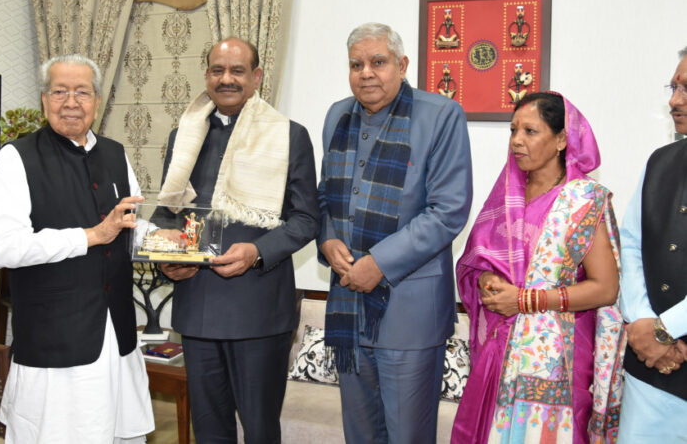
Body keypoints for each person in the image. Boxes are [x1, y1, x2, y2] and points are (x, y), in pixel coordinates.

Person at [156, 37, 319, 443]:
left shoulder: (289, 136)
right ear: (207, 75)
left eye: (237, 70)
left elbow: (305, 220)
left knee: (261, 430)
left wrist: (258, 252)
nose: (226, 79)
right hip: (197, 307)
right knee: (209, 431)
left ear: (257, 76)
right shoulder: (184, 136)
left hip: (259, 309)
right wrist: (164, 254)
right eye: (217, 70)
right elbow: (166, 213)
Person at [317, 22, 472, 444]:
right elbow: (325, 195)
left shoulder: (440, 115)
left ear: (402, 66)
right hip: (348, 307)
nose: (366, 72)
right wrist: (328, 238)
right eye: (356, 64)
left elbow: (448, 210)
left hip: (410, 314)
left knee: (407, 436)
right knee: (361, 435)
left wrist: (379, 264)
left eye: (378, 62)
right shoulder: (337, 115)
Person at [0, 54, 153, 444]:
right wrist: (90, 236)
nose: (71, 102)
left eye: (82, 92)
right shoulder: (16, 158)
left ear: (97, 101)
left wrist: (167, 242)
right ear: (44, 100)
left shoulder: (115, 153)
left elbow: (125, 222)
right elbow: (4, 249)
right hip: (55, 342)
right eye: (60, 91)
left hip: (117, 334)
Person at [451, 91, 625, 443]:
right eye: (513, 130)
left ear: (561, 139)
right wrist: (486, 278)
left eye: (530, 131)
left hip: (557, 361)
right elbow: (480, 257)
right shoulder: (507, 194)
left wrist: (525, 300)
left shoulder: (582, 201)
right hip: (499, 353)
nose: (516, 141)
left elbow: (605, 288)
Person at [618, 47, 687, 442]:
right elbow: (631, 243)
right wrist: (643, 322)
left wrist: (666, 330)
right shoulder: (660, 161)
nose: (674, 100)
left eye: (686, 89)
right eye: (674, 86)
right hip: (650, 367)